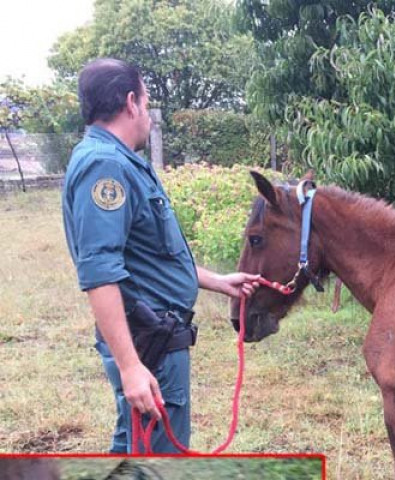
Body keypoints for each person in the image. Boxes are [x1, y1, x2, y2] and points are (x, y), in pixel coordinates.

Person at [62, 58, 259, 453]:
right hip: (148, 340)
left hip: (153, 335)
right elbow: (100, 273)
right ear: (131, 102)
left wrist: (216, 281)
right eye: (147, 98)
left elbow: (152, 254)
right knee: (162, 456)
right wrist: (132, 366)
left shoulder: (120, 160)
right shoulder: (106, 165)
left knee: (137, 443)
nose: (149, 110)